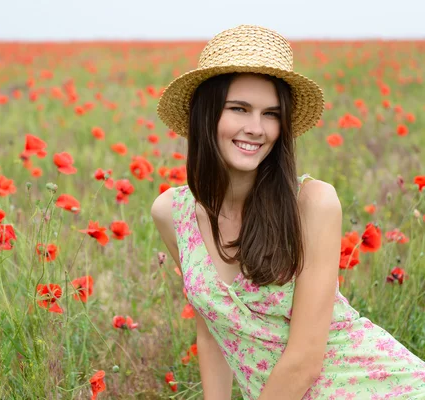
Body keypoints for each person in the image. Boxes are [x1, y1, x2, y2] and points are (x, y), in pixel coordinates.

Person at [151, 25, 425, 400]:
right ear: (206, 114)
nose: (256, 128)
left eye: (272, 114)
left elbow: (305, 361)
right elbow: (212, 329)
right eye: (239, 109)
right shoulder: (172, 213)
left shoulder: (313, 203)